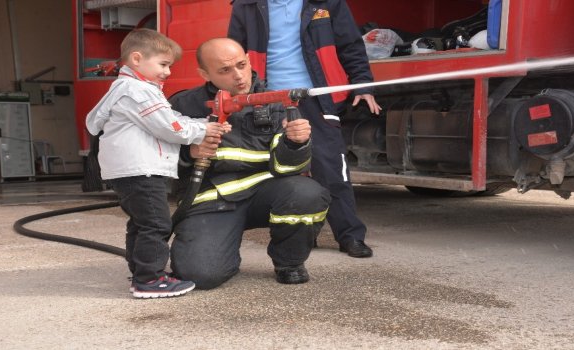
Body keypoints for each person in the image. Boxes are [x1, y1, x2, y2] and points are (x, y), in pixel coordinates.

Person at [168, 37, 331, 289]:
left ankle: (289, 262)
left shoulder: (276, 101)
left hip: (264, 195)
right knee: (200, 275)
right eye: (224, 70)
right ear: (204, 73)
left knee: (306, 193)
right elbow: (159, 166)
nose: (239, 76)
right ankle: (220, 254)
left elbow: (289, 171)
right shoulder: (183, 105)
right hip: (212, 201)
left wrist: (296, 144)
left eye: (241, 65)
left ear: (249, 59)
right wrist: (190, 154)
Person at [229, 0, 381, 258]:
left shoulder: (327, 2)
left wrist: (363, 85)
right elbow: (233, 53)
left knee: (331, 168)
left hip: (317, 98)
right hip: (266, 98)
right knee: (279, 172)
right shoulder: (246, 5)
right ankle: (301, 235)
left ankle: (350, 236)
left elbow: (350, 45)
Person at [85, 28, 223, 298]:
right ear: (137, 59)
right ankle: (150, 280)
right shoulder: (138, 91)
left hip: (132, 170)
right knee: (157, 224)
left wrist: (206, 124)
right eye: (163, 64)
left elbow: (170, 118)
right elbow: (170, 127)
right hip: (141, 170)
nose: (168, 72)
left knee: (140, 223)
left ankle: (142, 272)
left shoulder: (132, 89)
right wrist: (204, 131)